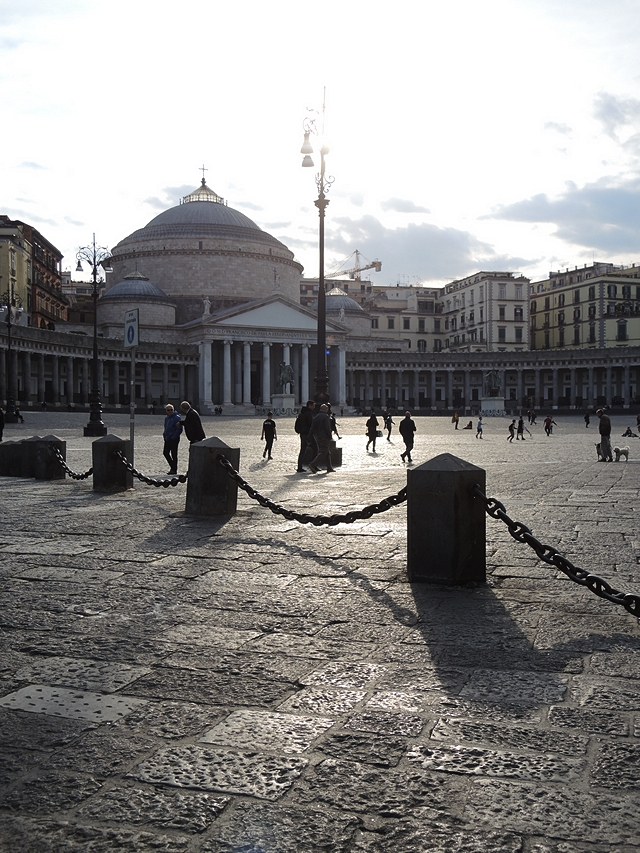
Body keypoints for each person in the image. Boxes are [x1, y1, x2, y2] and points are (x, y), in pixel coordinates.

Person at [308, 403, 335, 473]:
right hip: (325, 437)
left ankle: (329, 467)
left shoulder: (316, 417)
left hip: (318, 437)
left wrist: (309, 437)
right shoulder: (325, 416)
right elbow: (327, 427)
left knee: (327, 452)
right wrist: (330, 436)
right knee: (323, 452)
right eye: (327, 409)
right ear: (325, 409)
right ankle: (312, 464)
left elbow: (312, 428)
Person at [294, 400, 316, 472]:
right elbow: (311, 424)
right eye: (313, 405)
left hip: (302, 434)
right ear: (309, 405)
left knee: (302, 450)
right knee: (316, 449)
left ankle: (299, 467)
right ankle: (313, 464)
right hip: (308, 434)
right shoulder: (308, 413)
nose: (314, 407)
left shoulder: (301, 414)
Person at [162, 404, 183, 474]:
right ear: (166, 411)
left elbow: (179, 429)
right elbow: (166, 428)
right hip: (167, 438)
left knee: (174, 454)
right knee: (165, 453)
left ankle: (174, 469)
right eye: (168, 410)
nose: (170, 411)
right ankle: (173, 467)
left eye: (171, 410)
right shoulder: (166, 418)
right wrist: (164, 435)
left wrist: (173, 437)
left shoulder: (177, 418)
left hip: (174, 439)